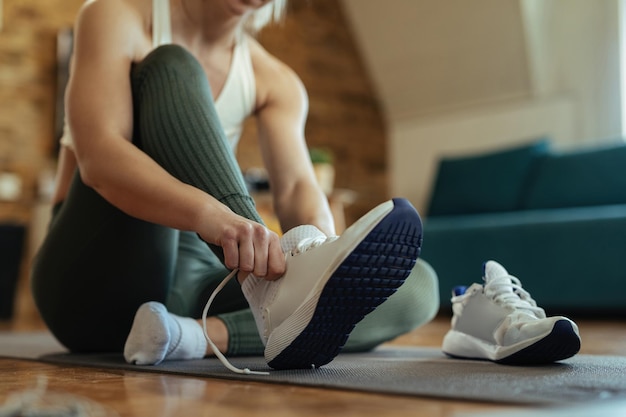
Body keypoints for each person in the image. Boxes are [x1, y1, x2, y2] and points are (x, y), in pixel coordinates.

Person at [30, 0, 440, 372]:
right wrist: (214, 217)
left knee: (420, 286)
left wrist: (325, 254)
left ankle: (191, 336)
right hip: (95, 274)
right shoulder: (116, 16)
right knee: (172, 64)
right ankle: (265, 289)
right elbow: (99, 160)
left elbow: (299, 186)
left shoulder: (276, 81)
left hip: (200, 279)